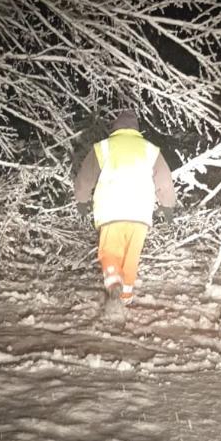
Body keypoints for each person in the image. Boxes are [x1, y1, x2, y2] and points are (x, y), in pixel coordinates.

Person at [74, 110, 176, 309]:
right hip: (140, 213)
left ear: (115, 127)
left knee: (110, 251)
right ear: (136, 129)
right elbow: (164, 180)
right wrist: (167, 206)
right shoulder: (150, 149)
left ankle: (113, 281)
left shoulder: (104, 148)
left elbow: (85, 177)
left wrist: (82, 201)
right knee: (132, 256)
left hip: (111, 210)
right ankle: (125, 298)